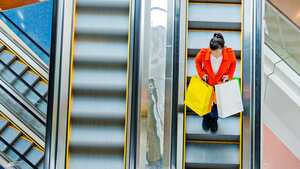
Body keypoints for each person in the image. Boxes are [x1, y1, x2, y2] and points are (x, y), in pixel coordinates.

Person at [195, 33, 237, 132]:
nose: (213, 54)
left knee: (217, 107)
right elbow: (197, 61)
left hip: (220, 85)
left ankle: (214, 120)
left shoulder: (230, 53)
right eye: (212, 52)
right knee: (206, 104)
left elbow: (233, 64)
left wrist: (229, 76)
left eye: (216, 52)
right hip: (208, 84)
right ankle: (206, 118)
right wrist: (201, 74)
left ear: (222, 48)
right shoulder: (205, 52)